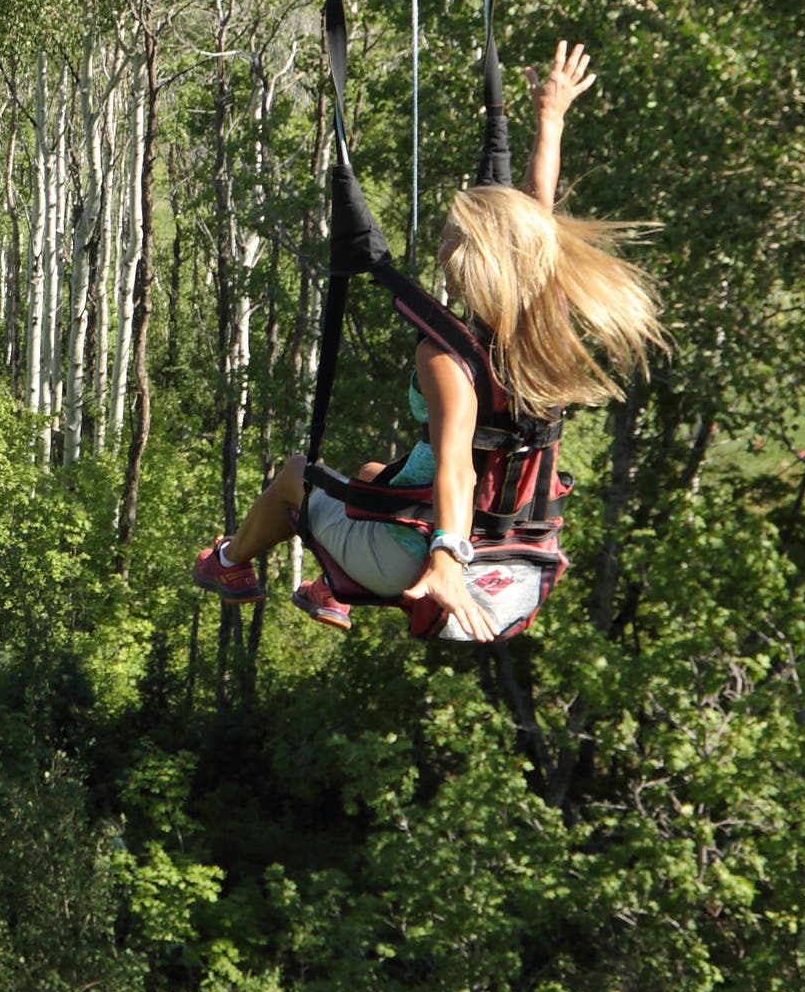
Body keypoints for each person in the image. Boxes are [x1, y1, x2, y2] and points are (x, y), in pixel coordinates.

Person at [201, 41, 661, 638]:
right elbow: (536, 223)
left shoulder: (447, 355)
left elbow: (455, 469)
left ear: (468, 261)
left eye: (451, 236)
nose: (443, 245)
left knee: (295, 473)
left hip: (429, 550)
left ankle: (230, 566)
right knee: (370, 473)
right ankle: (331, 590)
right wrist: (550, 118)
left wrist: (446, 558)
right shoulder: (539, 325)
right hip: (504, 537)